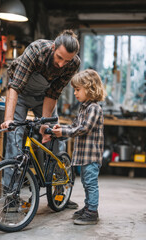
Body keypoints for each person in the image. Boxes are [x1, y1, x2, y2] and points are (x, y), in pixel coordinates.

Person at [0, 29, 81, 209]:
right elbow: (15, 86)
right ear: (53, 47)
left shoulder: (73, 63)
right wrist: (8, 119)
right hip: (20, 95)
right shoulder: (35, 50)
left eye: (66, 60)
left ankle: (60, 194)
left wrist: (44, 125)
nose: (61, 64)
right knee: (13, 141)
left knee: (56, 139)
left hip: (44, 97)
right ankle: (11, 198)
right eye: (59, 57)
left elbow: (53, 93)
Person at [52, 69, 107, 224]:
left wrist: (64, 131)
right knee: (85, 182)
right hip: (83, 156)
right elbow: (75, 125)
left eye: (77, 89)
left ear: (89, 88)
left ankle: (92, 212)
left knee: (90, 183)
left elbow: (83, 129)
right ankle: (88, 206)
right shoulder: (83, 107)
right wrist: (60, 130)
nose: (75, 93)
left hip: (91, 156)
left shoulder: (94, 108)